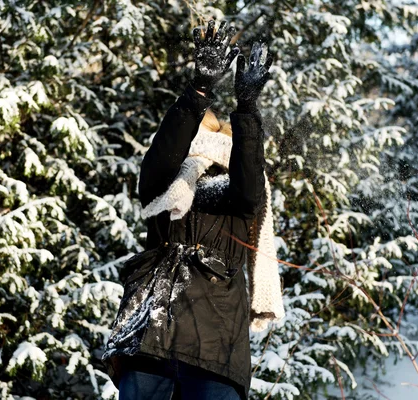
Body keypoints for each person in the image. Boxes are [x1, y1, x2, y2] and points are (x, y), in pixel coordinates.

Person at [102, 19, 285, 400]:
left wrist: (247, 108)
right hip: (150, 338)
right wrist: (198, 90)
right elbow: (162, 156)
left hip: (213, 350)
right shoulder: (167, 181)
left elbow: (248, 188)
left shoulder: (243, 188)